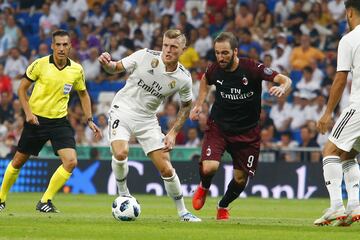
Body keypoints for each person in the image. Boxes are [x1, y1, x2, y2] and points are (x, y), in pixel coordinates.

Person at [98, 29, 201, 222]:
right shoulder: (144, 55)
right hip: (123, 109)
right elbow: (115, 67)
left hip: (147, 119)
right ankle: (124, 194)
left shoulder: (183, 78)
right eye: (165, 45)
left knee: (167, 169)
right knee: (121, 153)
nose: (168, 50)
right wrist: (107, 63)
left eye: (173, 47)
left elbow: (186, 106)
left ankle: (183, 212)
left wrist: (172, 133)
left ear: (182, 50)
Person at [190, 32, 292, 220]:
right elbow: (205, 79)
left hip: (247, 132)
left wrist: (282, 88)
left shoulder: (252, 68)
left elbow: (285, 80)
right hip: (219, 127)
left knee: (240, 179)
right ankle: (204, 187)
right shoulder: (214, 69)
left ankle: (223, 206)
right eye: (217, 53)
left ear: (235, 51)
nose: (220, 57)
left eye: (225, 53)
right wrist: (199, 104)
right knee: (210, 167)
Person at [0, 29, 102, 213]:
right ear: (52, 46)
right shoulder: (39, 65)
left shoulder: (76, 69)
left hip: (59, 122)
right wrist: (29, 114)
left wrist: (90, 120)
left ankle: (45, 201)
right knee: (17, 161)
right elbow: (22, 90)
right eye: (58, 45)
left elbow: (84, 94)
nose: (62, 48)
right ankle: (1, 198)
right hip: (36, 120)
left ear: (70, 46)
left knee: (71, 161)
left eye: (65, 45)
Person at [315, 0, 360, 226]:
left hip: (359, 106)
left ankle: (335, 207)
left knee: (329, 150)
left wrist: (327, 113)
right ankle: (354, 205)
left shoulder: (350, 39)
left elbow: (341, 78)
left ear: (349, 12)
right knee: (348, 154)